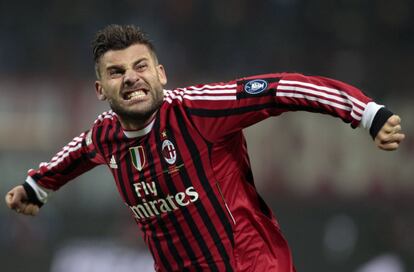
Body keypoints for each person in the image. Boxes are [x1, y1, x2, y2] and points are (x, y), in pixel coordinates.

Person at [5, 24, 405, 272]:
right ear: (101, 90)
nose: (131, 78)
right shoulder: (104, 135)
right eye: (116, 72)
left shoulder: (199, 110)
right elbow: (75, 153)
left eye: (141, 66)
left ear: (161, 73)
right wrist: (35, 188)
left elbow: (281, 89)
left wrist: (366, 112)